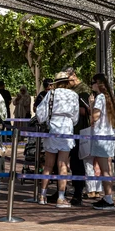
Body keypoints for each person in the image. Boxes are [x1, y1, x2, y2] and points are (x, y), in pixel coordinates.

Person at [34, 71, 80, 208]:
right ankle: (61, 197)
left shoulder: (51, 93)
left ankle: (42, 195)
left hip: (53, 127)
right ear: (67, 82)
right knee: (63, 165)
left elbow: (40, 113)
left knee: (48, 164)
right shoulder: (73, 95)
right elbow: (76, 117)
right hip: (66, 128)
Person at [88, 73, 115, 210]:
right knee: (107, 167)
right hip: (109, 135)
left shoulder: (100, 97)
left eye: (92, 82)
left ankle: (108, 199)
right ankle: (108, 197)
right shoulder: (109, 97)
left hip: (101, 136)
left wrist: (91, 105)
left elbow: (95, 116)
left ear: (98, 83)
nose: (91, 85)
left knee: (104, 169)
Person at [65, 68, 92, 206]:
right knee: (62, 160)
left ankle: (78, 193)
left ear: (73, 75)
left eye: (67, 79)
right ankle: (61, 191)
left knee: (77, 162)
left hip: (78, 131)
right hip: (67, 130)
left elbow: (86, 110)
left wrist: (67, 108)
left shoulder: (83, 90)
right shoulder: (69, 89)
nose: (66, 82)